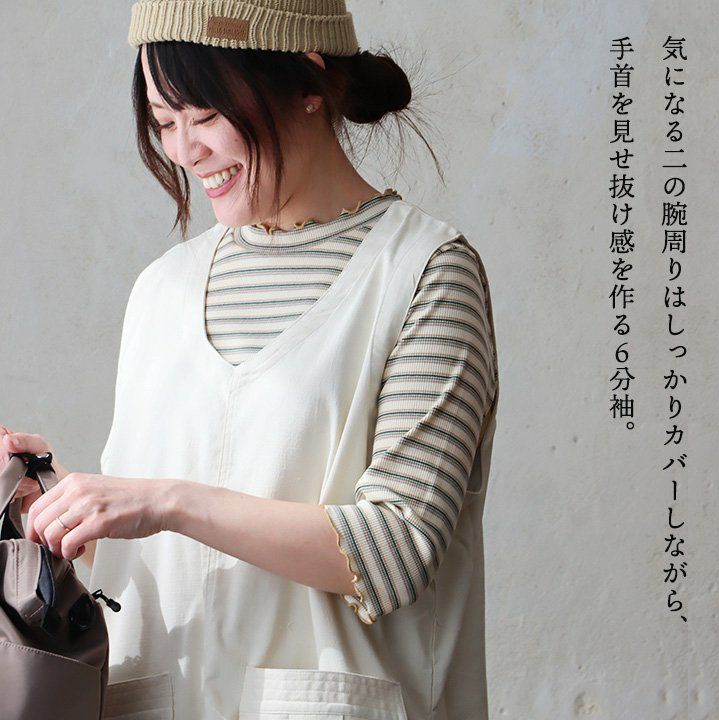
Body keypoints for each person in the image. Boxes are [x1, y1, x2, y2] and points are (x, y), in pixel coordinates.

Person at [1, 2, 500, 718]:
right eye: (164, 122)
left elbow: (398, 549)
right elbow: (167, 560)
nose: (184, 151)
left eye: (204, 116)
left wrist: (162, 501)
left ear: (307, 82)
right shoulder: (161, 290)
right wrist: (60, 509)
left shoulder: (425, 272)